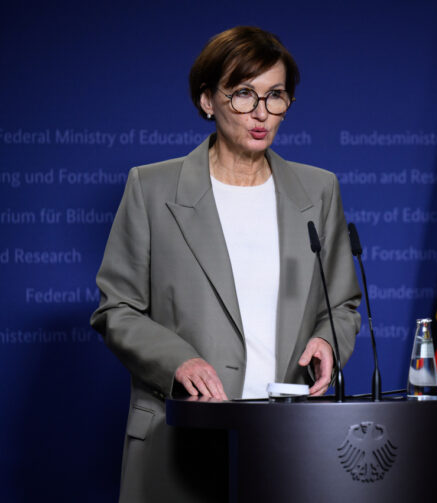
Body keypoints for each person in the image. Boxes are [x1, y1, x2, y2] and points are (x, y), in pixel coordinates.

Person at [90, 26, 361, 502]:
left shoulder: (318, 191)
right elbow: (117, 310)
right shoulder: (152, 189)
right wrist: (178, 360)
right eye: (243, 94)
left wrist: (327, 341)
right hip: (181, 435)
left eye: (275, 95)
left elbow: (342, 304)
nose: (261, 112)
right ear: (207, 101)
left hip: (288, 440)